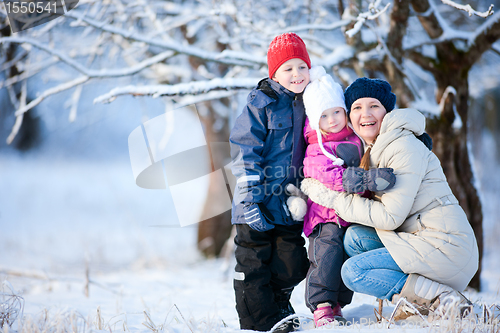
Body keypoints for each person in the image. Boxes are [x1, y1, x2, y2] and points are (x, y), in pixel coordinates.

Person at [324, 77, 478, 319]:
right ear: (350, 117)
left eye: (374, 105)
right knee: (354, 238)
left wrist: (337, 201)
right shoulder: (377, 148)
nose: (366, 113)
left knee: (354, 272)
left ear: (387, 112)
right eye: (357, 107)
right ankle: (416, 297)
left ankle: (440, 299)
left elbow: (389, 216)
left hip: (446, 247)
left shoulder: (402, 146)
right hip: (422, 238)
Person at [298, 67, 397, 327]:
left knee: (345, 256)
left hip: (350, 214)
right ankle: (321, 305)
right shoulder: (316, 145)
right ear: (314, 119)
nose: (332, 120)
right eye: (324, 115)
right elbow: (321, 173)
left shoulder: (356, 139)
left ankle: (337, 303)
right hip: (324, 217)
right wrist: (359, 179)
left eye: (336, 112)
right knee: (326, 256)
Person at [229, 32, 311, 333]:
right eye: (288, 69)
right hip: (256, 200)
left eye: (302, 67)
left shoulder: (310, 102)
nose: (296, 74)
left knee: (293, 263)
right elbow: (243, 148)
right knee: (253, 264)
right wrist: (250, 198)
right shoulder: (261, 103)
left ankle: (276, 303)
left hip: (288, 203)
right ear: (274, 73)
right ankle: (261, 323)